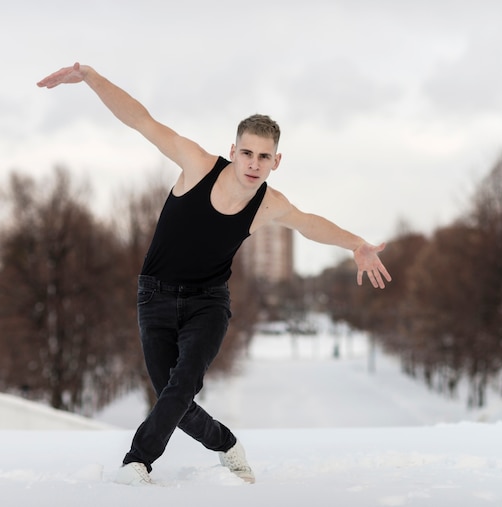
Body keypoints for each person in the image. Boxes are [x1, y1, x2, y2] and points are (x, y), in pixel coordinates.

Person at [37, 62, 392, 486]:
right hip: (155, 296)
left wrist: (356, 244)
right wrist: (92, 79)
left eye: (264, 156)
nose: (254, 163)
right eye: (247, 152)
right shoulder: (199, 165)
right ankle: (226, 444)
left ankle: (137, 462)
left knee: (183, 383)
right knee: (173, 395)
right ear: (233, 149)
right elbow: (141, 121)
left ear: (276, 161)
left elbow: (309, 223)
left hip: (208, 302)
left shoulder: (268, 203)